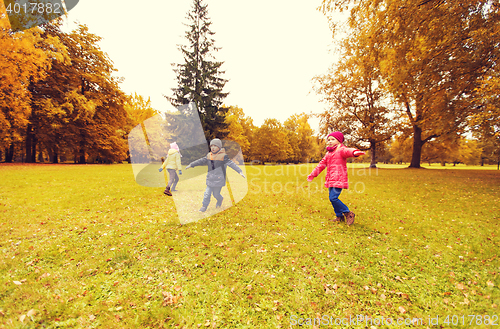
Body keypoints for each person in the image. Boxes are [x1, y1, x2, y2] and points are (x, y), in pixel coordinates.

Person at [307, 132, 365, 225]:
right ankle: (339, 216)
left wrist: (354, 152)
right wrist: (313, 174)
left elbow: (348, 151)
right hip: (331, 179)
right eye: (329, 140)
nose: (330, 141)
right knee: (332, 198)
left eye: (332, 139)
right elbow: (321, 164)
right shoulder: (329, 153)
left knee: (333, 198)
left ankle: (348, 213)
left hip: (339, 178)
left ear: (339, 141)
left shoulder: (341, 150)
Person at [185, 138, 245, 212]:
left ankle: (220, 199)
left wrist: (239, 171)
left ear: (219, 147)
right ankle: (204, 206)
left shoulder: (224, 156)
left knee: (216, 194)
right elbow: (201, 161)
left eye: (215, 146)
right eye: (211, 146)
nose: (213, 148)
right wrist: (191, 164)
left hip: (219, 179)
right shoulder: (209, 155)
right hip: (210, 178)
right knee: (207, 193)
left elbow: (231, 164)